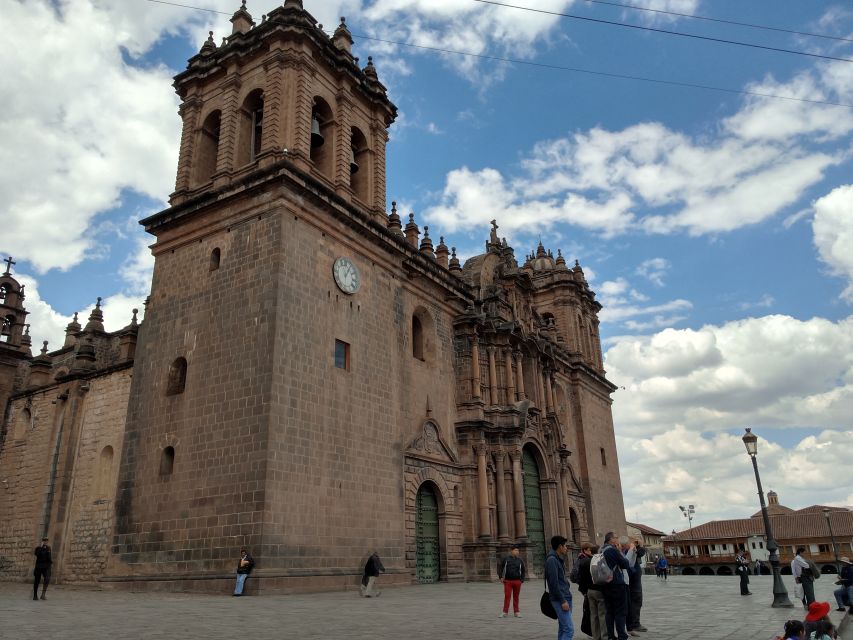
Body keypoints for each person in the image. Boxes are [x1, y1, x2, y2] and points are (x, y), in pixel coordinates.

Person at [601, 532, 633, 640]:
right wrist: (619, 551)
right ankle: (622, 636)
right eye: (616, 537)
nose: (617, 539)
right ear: (611, 540)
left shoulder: (600, 550)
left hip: (605, 584)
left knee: (609, 611)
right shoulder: (612, 550)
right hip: (617, 584)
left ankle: (610, 636)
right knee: (620, 611)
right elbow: (625, 564)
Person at [545, 535, 574, 640]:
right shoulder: (552, 560)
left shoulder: (557, 559)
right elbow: (553, 584)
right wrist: (562, 601)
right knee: (569, 629)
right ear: (560, 547)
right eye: (565, 546)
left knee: (563, 627)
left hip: (565, 596)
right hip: (560, 599)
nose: (566, 548)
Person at [578, 543, 605, 640]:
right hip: (599, 590)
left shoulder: (583, 562)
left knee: (593, 615)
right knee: (602, 615)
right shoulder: (599, 561)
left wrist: (583, 590)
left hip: (589, 591)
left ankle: (595, 636)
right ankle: (603, 636)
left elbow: (580, 578)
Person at [498, 545, 526, 617]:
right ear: (512, 551)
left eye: (518, 551)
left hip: (517, 581)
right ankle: (505, 612)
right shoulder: (506, 559)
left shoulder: (520, 560)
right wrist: (501, 577)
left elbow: (523, 571)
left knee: (516, 597)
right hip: (508, 581)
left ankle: (516, 612)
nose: (517, 552)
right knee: (507, 596)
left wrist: (521, 580)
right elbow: (501, 568)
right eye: (516, 550)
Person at [626, 539, 647, 634]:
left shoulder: (629, 550)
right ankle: (635, 624)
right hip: (634, 581)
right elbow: (641, 553)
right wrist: (641, 545)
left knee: (635, 602)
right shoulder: (630, 550)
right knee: (636, 601)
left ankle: (633, 624)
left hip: (633, 580)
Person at [33, 536, 52, 601]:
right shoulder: (38, 548)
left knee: (47, 579)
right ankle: (35, 595)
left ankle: (43, 594)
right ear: (42, 541)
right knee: (37, 581)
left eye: (46, 540)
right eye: (44, 540)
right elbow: (37, 554)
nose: (45, 541)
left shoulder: (48, 548)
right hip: (39, 566)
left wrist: (50, 564)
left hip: (45, 567)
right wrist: (41, 547)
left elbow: (49, 557)